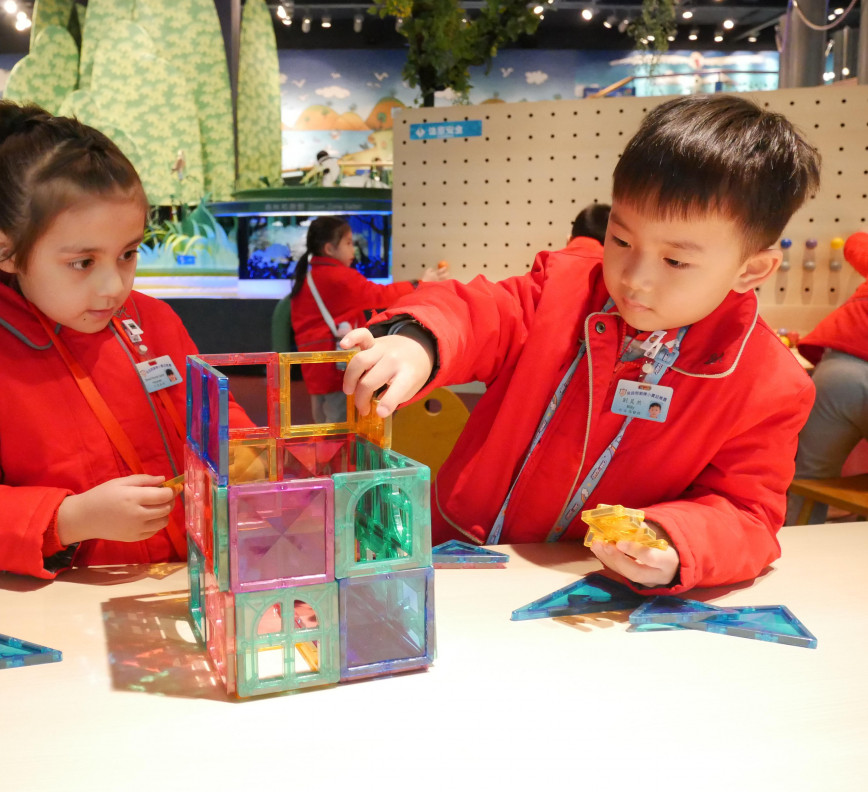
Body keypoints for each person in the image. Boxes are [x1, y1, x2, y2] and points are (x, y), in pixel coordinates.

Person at [340, 94, 821, 593]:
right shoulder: (562, 289)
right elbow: (482, 311)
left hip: (593, 590)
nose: (634, 278)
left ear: (752, 269)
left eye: (675, 261)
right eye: (621, 240)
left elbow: (746, 512)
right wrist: (417, 338)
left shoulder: (769, 385)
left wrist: (675, 540)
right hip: (458, 557)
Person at [0, 100, 253, 578]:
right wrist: (72, 518)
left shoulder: (154, 319)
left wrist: (246, 452)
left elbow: (216, 416)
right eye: (83, 262)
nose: (113, 287)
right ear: (6, 250)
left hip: (189, 579)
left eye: (128, 254)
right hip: (65, 600)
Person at [289, 215, 446, 423]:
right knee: (341, 424)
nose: (353, 250)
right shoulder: (340, 277)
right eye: (348, 243)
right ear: (329, 249)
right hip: (336, 367)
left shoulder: (308, 277)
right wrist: (419, 284)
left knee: (323, 421)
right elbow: (379, 295)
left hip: (314, 365)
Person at [790, 230, 868, 524]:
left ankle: (798, 540)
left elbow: (856, 244)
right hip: (842, 372)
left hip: (840, 371)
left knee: (808, 478)